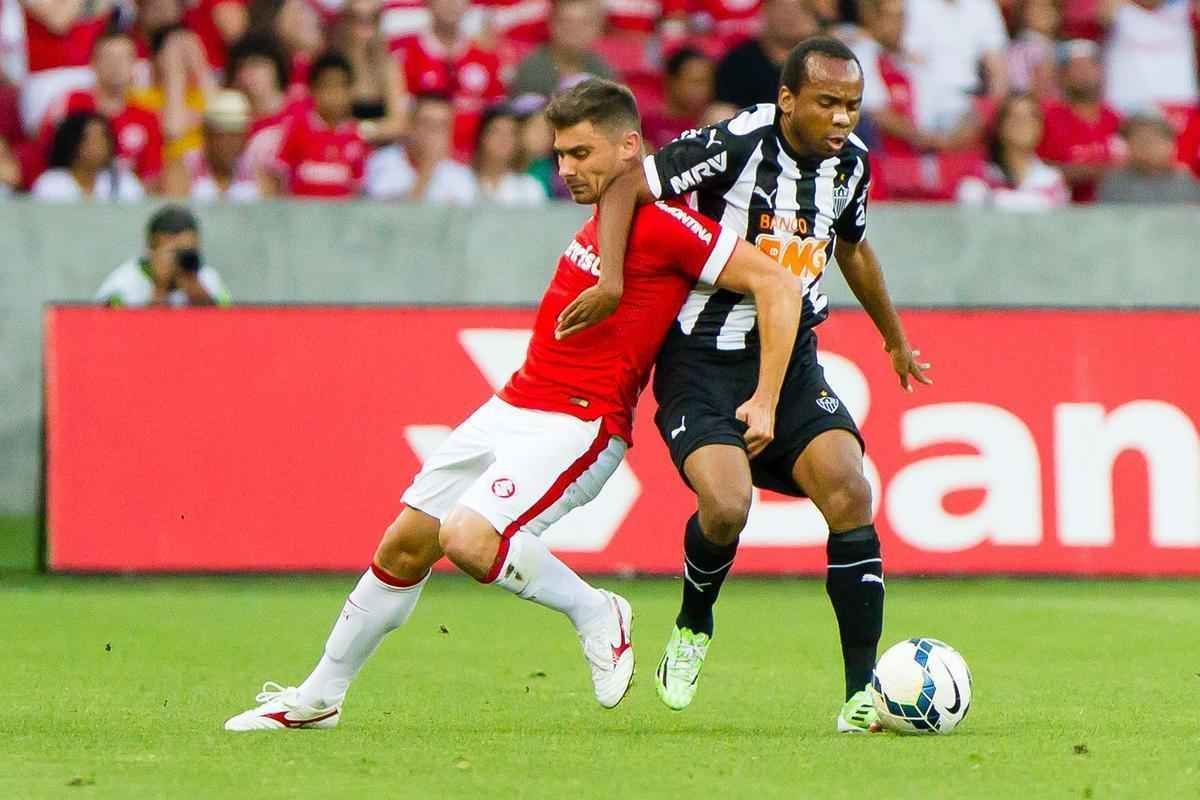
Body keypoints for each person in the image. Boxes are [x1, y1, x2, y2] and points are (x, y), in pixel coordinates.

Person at [223, 78, 804, 731]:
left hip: (582, 420)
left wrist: (766, 395)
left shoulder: (671, 225)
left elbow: (773, 282)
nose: (567, 169)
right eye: (560, 155)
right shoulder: (608, 217)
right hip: (513, 404)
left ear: (629, 147)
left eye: (583, 154)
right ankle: (318, 698)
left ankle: (596, 612)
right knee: (406, 544)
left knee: (469, 538)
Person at [556, 37, 932, 731]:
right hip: (701, 359)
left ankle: (862, 694)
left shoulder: (851, 167)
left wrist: (894, 337)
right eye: (826, 103)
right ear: (788, 100)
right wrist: (611, 279)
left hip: (791, 365)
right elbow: (628, 184)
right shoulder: (737, 141)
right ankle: (695, 620)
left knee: (851, 488)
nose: (843, 118)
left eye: (852, 104)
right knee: (727, 506)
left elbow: (851, 246)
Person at [37, 31, 166, 191]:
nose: (116, 66)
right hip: (70, 192)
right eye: (108, 58)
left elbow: (151, 175)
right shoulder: (70, 103)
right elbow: (43, 153)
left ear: (134, 65)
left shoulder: (147, 117)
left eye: (123, 59)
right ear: (93, 62)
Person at [392, 0, 506, 160]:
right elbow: (401, 118)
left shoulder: (486, 57)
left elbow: (497, 118)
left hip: (475, 166)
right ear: (428, 3)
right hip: (421, 164)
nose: (451, 4)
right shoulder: (408, 56)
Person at [268, 50, 368, 198]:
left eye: (340, 86)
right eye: (327, 86)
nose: (334, 94)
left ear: (350, 92)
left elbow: (357, 187)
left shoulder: (355, 136)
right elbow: (278, 177)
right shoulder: (298, 128)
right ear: (313, 91)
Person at [1037, 39, 1124, 203]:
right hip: (1064, 207)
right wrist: (1087, 173)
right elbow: (1033, 167)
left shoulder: (1116, 118)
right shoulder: (1046, 116)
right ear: (1062, 75)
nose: (1084, 73)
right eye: (1076, 67)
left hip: (1113, 208)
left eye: (1090, 65)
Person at [95, 204, 231, 307]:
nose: (179, 259)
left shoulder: (207, 278)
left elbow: (229, 326)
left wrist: (195, 290)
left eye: (186, 251)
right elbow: (111, 334)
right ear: (150, 250)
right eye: (173, 252)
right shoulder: (123, 285)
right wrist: (160, 288)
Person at [956, 93, 1069, 210]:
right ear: (1000, 126)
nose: (1023, 125)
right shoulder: (978, 175)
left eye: (1031, 117)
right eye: (1015, 117)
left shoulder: (1052, 179)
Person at [365, 92, 476, 203]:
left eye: (441, 126)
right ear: (410, 126)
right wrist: (427, 170)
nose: (434, 132)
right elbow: (388, 215)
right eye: (427, 123)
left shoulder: (460, 174)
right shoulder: (384, 161)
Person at [711, 0, 818, 114]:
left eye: (799, 10)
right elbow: (725, 107)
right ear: (765, 11)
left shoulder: (823, 59)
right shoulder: (738, 60)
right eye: (783, 10)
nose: (790, 17)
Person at [331, 0, 410, 144]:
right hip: (338, 149)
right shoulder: (332, 65)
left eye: (371, 19)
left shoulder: (388, 66)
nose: (362, 28)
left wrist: (360, 130)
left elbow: (399, 124)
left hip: (378, 152)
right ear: (344, 22)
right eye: (355, 18)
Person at [507, 0, 613, 99]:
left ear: (599, 28)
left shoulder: (601, 68)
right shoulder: (532, 68)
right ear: (551, 24)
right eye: (566, 22)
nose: (574, 30)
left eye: (585, 23)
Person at [32, 110, 145, 202]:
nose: (99, 146)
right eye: (90, 140)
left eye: (103, 139)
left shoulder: (124, 182)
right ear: (72, 143)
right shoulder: (50, 184)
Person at [1097, 112, 1200, 204]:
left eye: (1151, 140)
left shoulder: (1184, 180)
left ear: (1171, 145)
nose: (1145, 147)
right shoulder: (1115, 181)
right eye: (1138, 140)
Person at [184, 89, 260, 201]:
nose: (229, 143)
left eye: (235, 135)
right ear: (208, 135)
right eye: (222, 135)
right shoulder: (186, 167)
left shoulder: (256, 171)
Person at [472, 103, 547, 205]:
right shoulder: (460, 181)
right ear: (482, 137)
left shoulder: (530, 187)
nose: (504, 140)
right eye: (496, 132)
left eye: (511, 134)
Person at [641, 47, 715, 151]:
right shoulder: (648, 125)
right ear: (672, 81)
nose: (702, 90)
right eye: (695, 82)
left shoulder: (714, 125)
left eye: (707, 82)